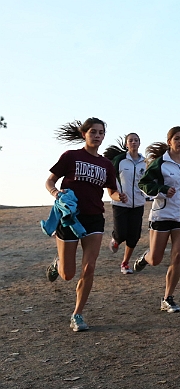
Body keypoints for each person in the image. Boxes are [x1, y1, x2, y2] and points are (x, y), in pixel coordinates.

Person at [45, 118, 126, 332]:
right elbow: (50, 181)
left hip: (94, 218)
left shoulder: (106, 164)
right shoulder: (71, 157)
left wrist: (119, 196)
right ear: (84, 134)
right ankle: (59, 263)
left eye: (101, 133)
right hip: (70, 218)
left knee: (89, 268)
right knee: (68, 274)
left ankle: (77, 314)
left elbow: (111, 191)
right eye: (93, 132)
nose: (97, 136)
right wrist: (56, 193)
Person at [133, 127, 180, 314]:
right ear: (169, 141)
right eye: (177, 138)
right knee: (156, 259)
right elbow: (144, 184)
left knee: (178, 257)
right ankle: (145, 257)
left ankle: (168, 298)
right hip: (162, 215)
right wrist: (162, 190)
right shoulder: (161, 163)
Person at [105, 133, 147, 274]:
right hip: (120, 203)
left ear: (139, 143)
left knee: (134, 236)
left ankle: (125, 263)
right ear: (126, 144)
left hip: (138, 203)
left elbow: (148, 181)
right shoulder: (119, 160)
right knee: (121, 233)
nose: (133, 142)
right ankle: (116, 239)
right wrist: (117, 195)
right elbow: (109, 179)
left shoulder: (144, 162)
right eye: (130, 140)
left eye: (136, 140)